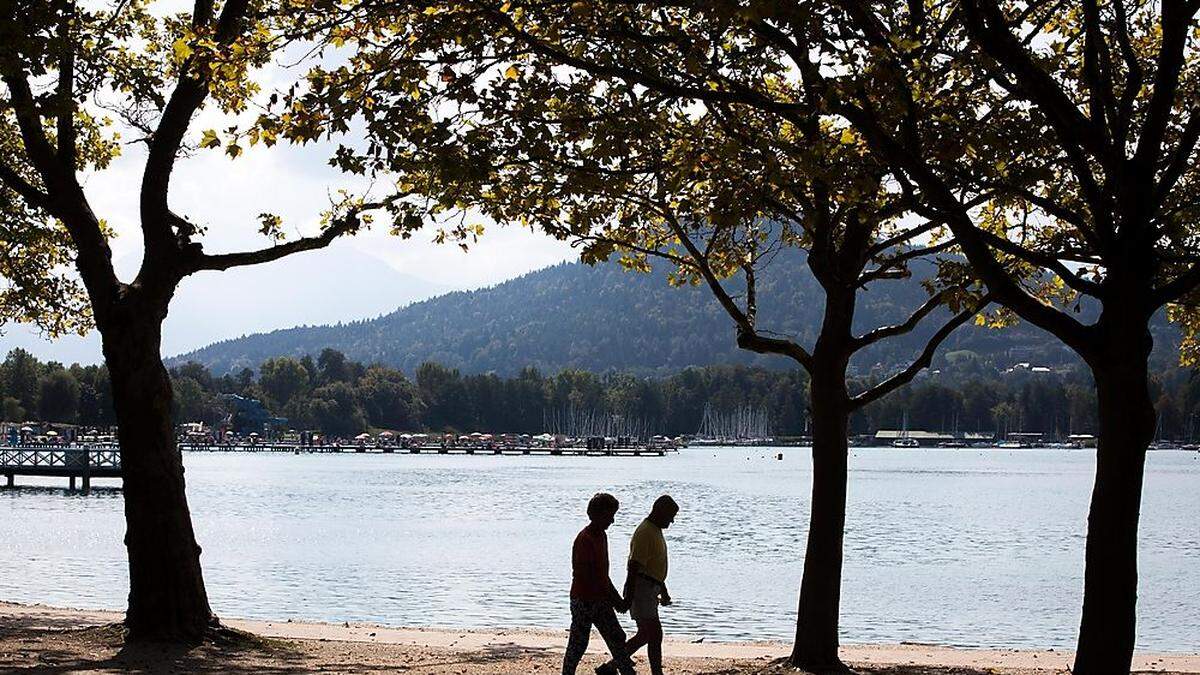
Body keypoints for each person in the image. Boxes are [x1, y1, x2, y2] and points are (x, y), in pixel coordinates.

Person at [599, 494, 679, 675]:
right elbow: (634, 565)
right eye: (670, 516)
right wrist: (629, 595)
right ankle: (653, 672)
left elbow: (654, 566)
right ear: (660, 511)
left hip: (651, 589)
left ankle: (611, 666)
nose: (672, 521)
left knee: (647, 634)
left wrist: (663, 590)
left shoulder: (655, 530)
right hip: (642, 590)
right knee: (652, 633)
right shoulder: (645, 532)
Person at [562, 492, 637, 675]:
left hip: (600, 598)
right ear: (596, 514)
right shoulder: (584, 539)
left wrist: (617, 599)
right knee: (579, 643)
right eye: (610, 515)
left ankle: (625, 670)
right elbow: (591, 577)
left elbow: (603, 576)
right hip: (584, 600)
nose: (612, 520)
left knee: (617, 636)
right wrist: (616, 601)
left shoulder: (601, 536)